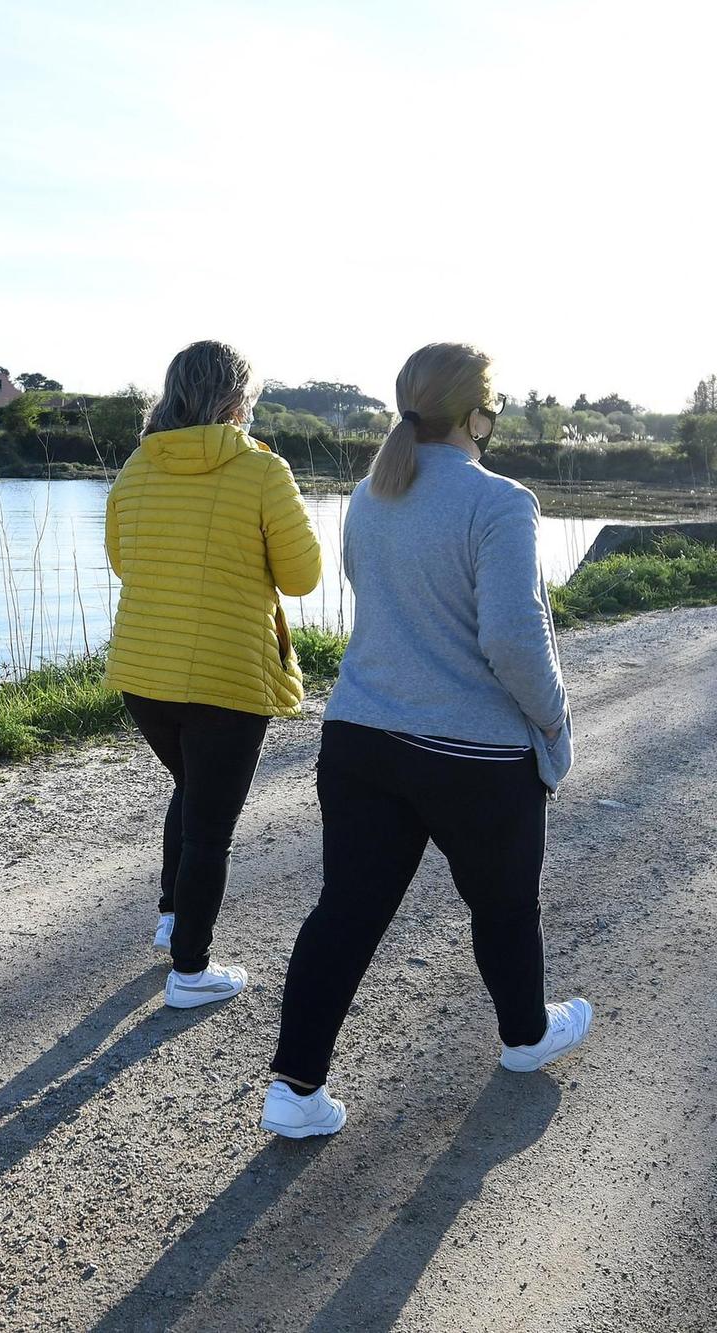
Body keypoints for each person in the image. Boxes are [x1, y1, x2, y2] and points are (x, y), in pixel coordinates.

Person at [262, 342, 590, 1139]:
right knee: (505, 906)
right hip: (471, 754)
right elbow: (515, 639)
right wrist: (554, 719)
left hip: (361, 737)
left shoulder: (371, 497)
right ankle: (524, 1035)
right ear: (478, 414)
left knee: (345, 912)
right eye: (496, 408)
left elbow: (378, 600)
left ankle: (294, 1088)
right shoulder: (501, 501)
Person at [105, 341, 322, 1009]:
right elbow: (302, 575)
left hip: (143, 671)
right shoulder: (262, 470)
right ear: (237, 401)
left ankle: (174, 916)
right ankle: (190, 970)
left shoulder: (138, 466)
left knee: (192, 789)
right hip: (228, 675)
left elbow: (122, 560)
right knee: (210, 827)